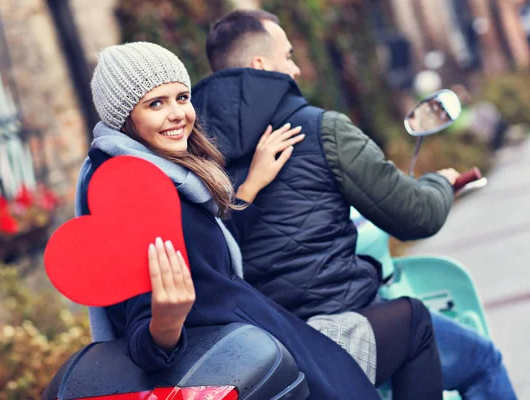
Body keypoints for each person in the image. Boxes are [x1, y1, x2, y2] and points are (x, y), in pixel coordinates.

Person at [76, 41, 444, 399]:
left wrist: (250, 187)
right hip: (241, 358)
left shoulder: (159, 175)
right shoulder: (131, 189)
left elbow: (199, 253)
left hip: (249, 341)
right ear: (123, 117)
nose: (178, 114)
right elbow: (141, 335)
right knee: (414, 322)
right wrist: (166, 321)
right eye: (156, 103)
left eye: (182, 98)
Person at [192, 9, 517, 400]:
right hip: (339, 330)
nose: (295, 68)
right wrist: (440, 183)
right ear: (260, 64)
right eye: (289, 56)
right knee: (478, 358)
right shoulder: (319, 129)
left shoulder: (197, 154)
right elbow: (416, 216)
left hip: (265, 348)